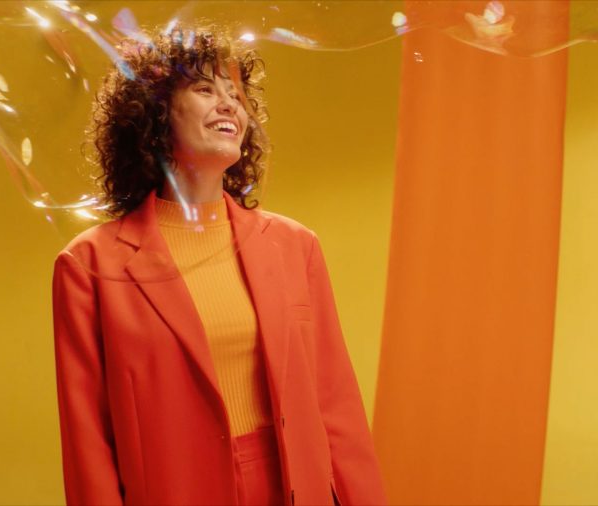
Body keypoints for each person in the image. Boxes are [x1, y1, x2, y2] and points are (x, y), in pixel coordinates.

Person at [51, 25, 386, 506]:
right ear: (155, 112)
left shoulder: (296, 246)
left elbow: (337, 409)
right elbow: (88, 445)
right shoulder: (87, 267)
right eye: (206, 89)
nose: (229, 104)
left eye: (236, 94)